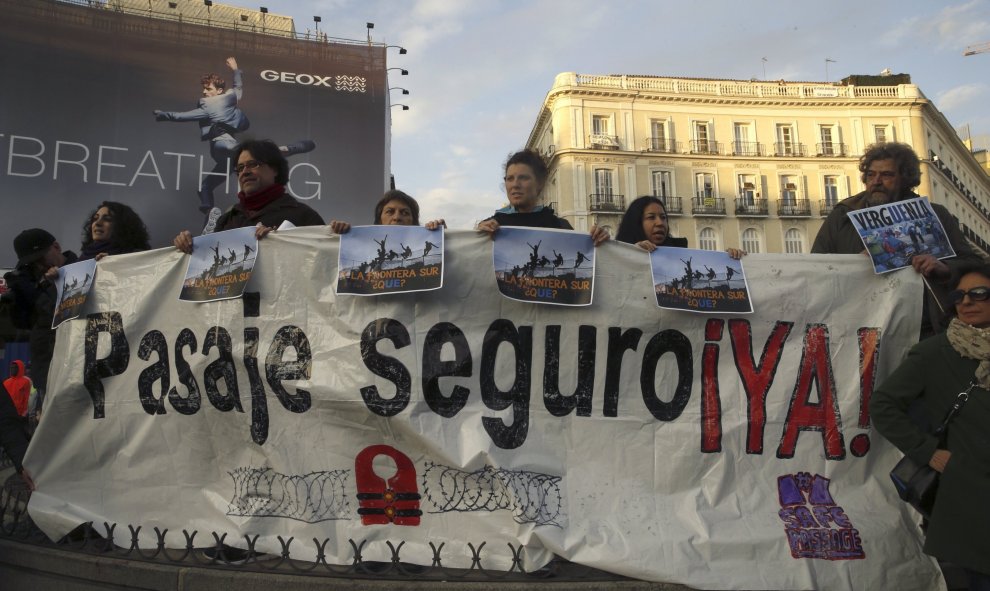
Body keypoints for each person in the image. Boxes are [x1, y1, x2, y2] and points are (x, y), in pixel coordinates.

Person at [870, 263, 990, 590]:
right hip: (970, 501)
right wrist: (930, 452)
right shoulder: (935, 353)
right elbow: (883, 405)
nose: (966, 302)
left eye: (979, 293)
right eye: (958, 295)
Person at [811, 142, 982, 336]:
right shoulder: (842, 216)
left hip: (924, 327)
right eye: (870, 174)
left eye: (886, 175)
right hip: (861, 327)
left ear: (905, 179)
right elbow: (817, 266)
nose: (876, 181)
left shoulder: (936, 215)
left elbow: (973, 264)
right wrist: (855, 263)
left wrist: (944, 268)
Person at [154, 57, 315, 213]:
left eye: (208, 89)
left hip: (222, 149)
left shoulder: (208, 106)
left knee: (206, 185)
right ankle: (289, 149)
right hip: (226, 147)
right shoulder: (230, 98)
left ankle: (208, 208)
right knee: (256, 156)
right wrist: (236, 70)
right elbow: (238, 87)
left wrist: (164, 115)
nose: (204, 92)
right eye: (203, 88)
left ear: (219, 90)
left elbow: (182, 116)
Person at [173, 139, 325, 253]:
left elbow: (323, 266)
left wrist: (280, 245)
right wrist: (188, 246)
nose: (245, 172)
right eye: (240, 167)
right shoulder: (226, 220)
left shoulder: (304, 216)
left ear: (275, 169)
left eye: (253, 164)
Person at [2, 229, 78, 416]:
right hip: (45, 372)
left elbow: (65, 315)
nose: (39, 266)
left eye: (41, 258)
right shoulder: (37, 282)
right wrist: (20, 297)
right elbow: (24, 325)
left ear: (56, 247)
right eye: (31, 263)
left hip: (76, 369)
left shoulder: (81, 269)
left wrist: (46, 289)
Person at [476, 149, 609, 245]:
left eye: (523, 178)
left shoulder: (559, 226)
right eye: (510, 179)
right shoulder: (493, 225)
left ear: (540, 183)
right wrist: (477, 234)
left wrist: (600, 240)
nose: (515, 185)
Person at [615, 195, 746, 258]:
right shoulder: (616, 257)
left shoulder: (681, 255)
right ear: (635, 222)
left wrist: (729, 259)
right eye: (651, 217)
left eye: (663, 217)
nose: (660, 223)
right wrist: (632, 254)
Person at [329, 190, 446, 233]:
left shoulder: (431, 241)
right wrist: (336, 236)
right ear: (379, 219)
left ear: (414, 221)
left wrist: (444, 238)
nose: (397, 217)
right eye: (390, 211)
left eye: (405, 213)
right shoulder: (359, 243)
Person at [79, 201, 151, 261]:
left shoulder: (135, 257)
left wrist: (116, 262)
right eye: (95, 219)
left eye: (107, 219)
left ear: (122, 226)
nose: (98, 223)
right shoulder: (81, 259)